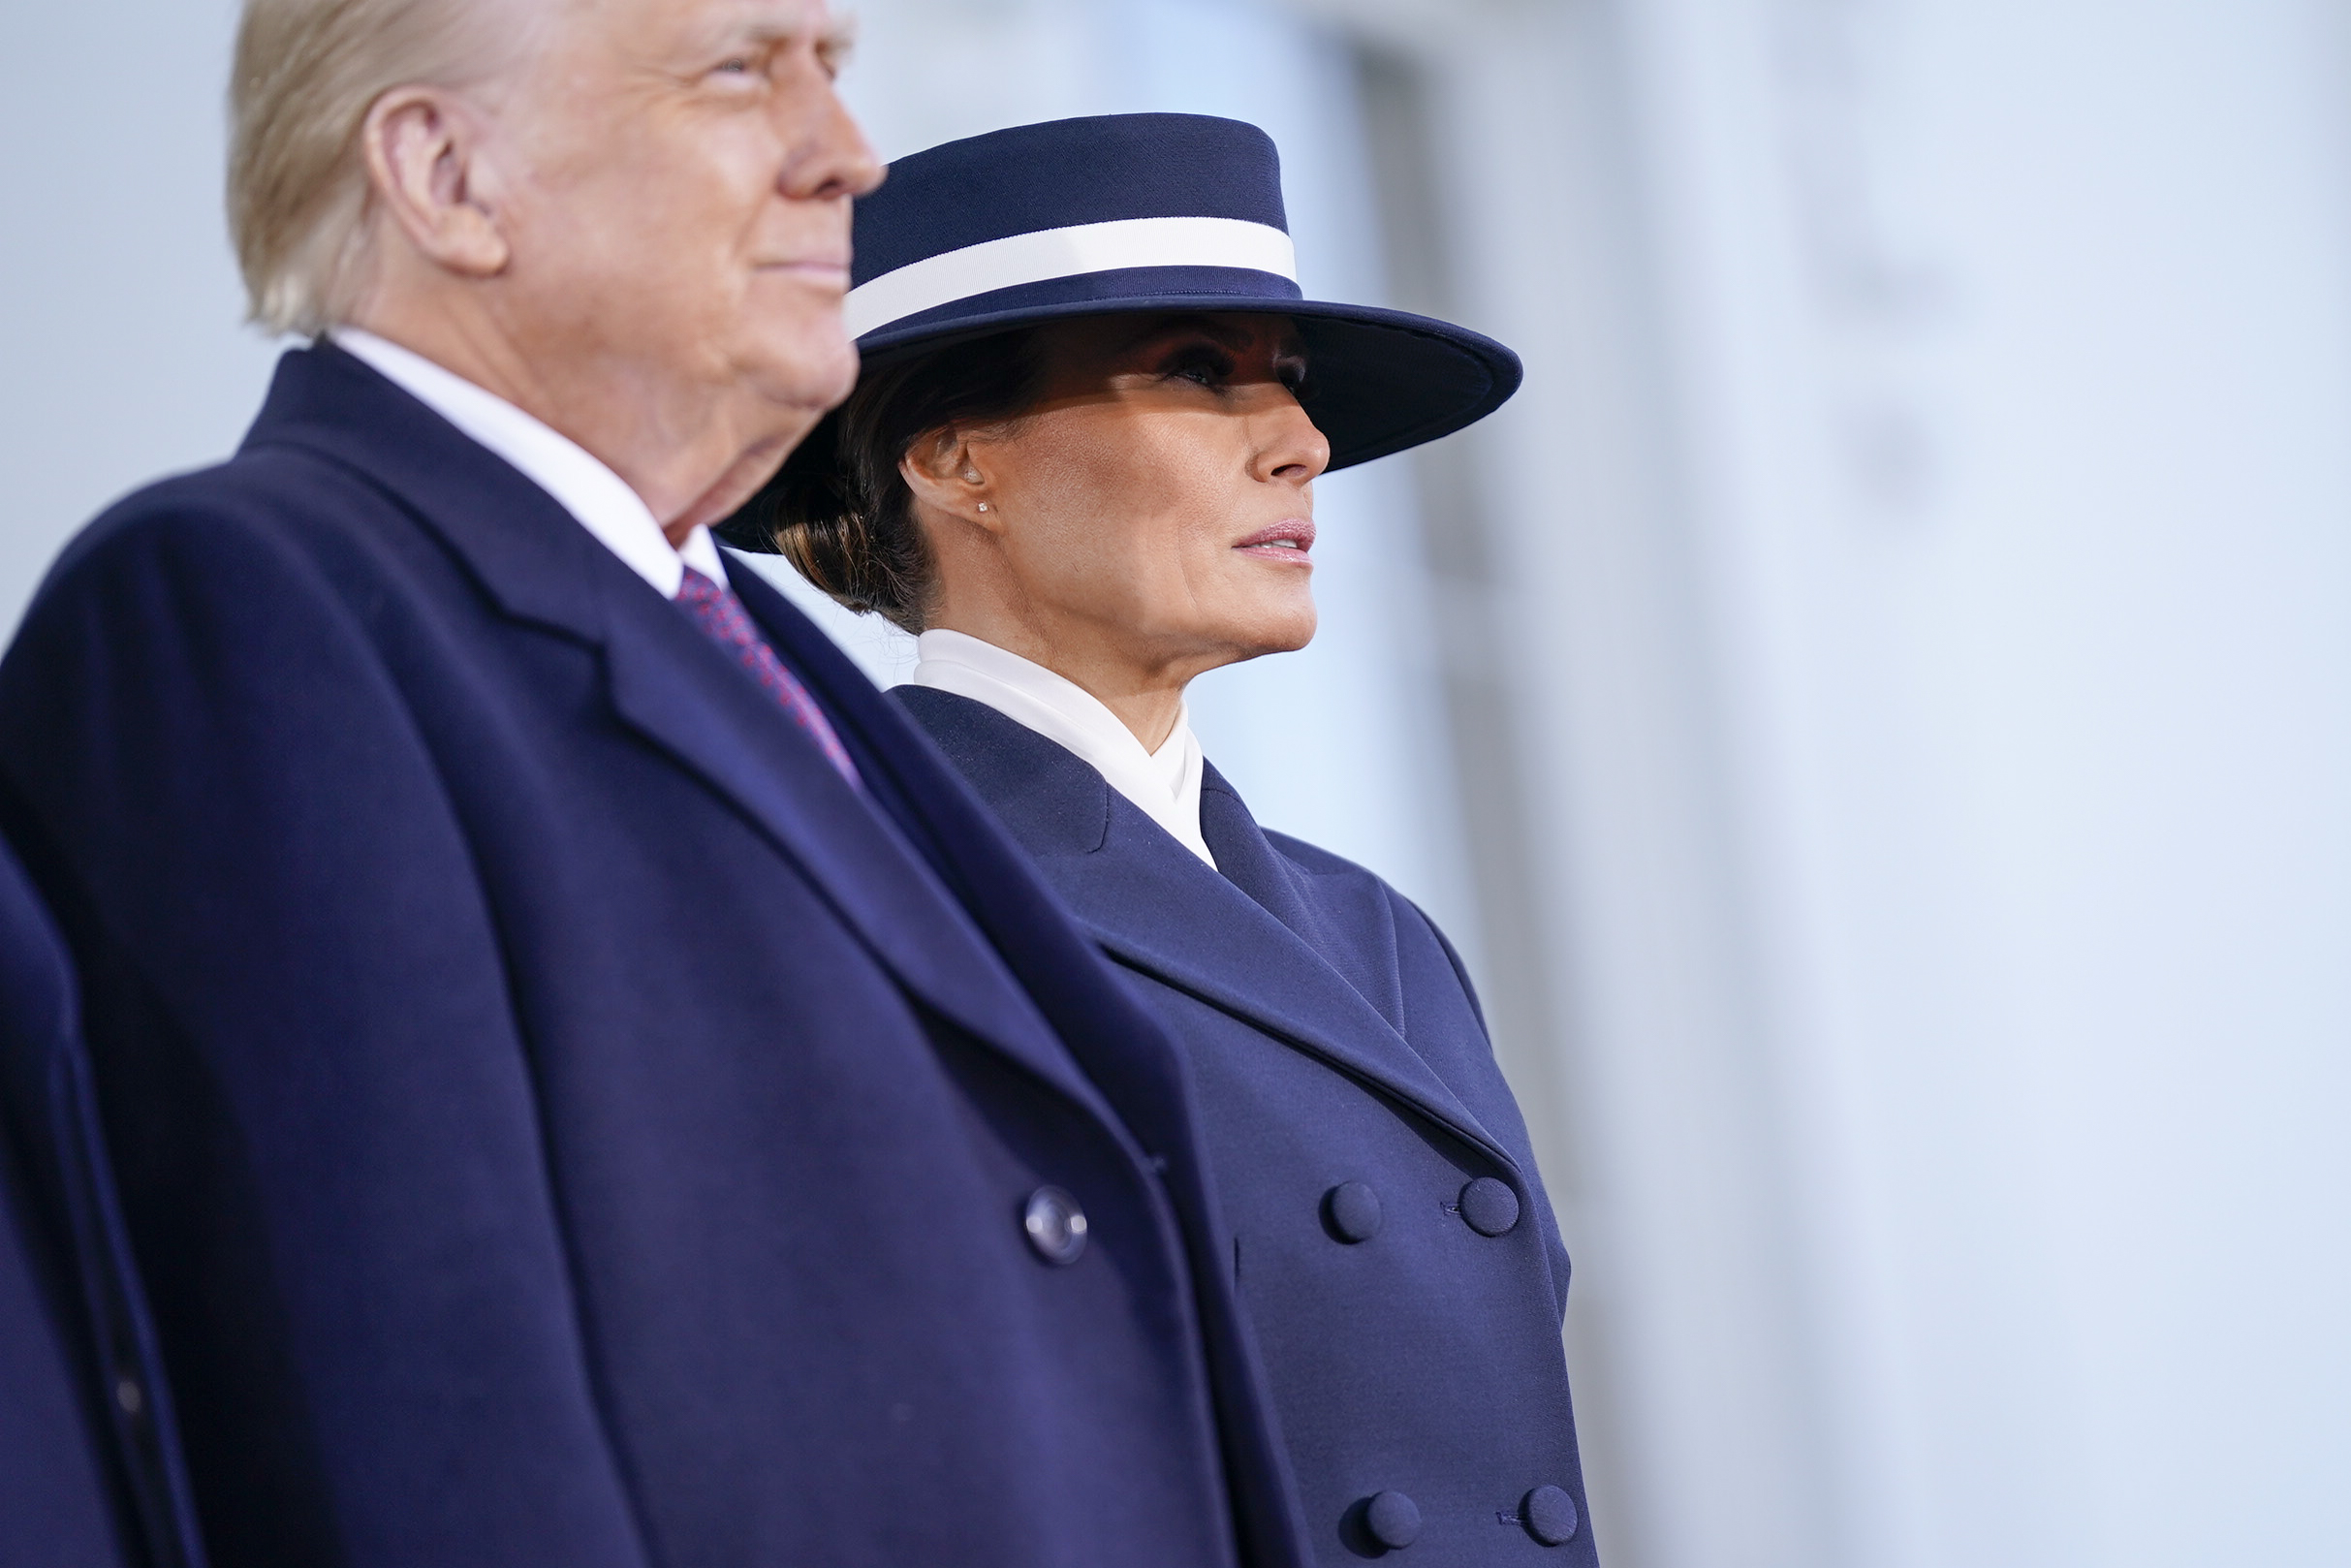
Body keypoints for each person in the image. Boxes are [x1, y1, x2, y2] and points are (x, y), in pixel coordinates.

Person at [0, 9, 1303, 1567]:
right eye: (744, 71)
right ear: (446, 174)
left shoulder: (764, 656)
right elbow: (412, 1429)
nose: (847, 155)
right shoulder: (247, 609)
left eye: (832, 68)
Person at [726, 112, 1601, 1565]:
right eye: (1201, 371)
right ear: (957, 461)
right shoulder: (845, 880)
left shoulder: (1380, 932)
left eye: (1293, 385)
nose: (1305, 444)